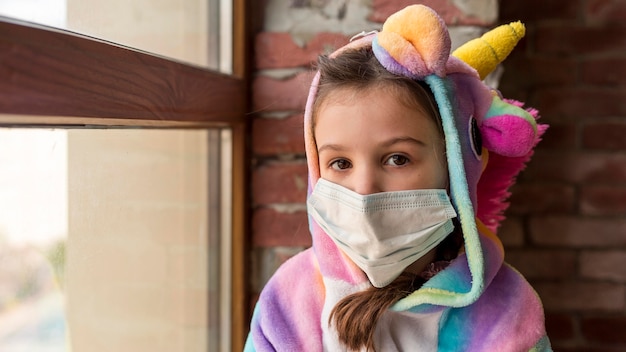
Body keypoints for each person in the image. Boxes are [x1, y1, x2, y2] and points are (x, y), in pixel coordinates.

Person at [245, 5, 551, 351]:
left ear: (455, 168)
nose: (363, 190)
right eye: (341, 163)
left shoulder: (506, 315)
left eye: (397, 158)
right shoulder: (289, 302)